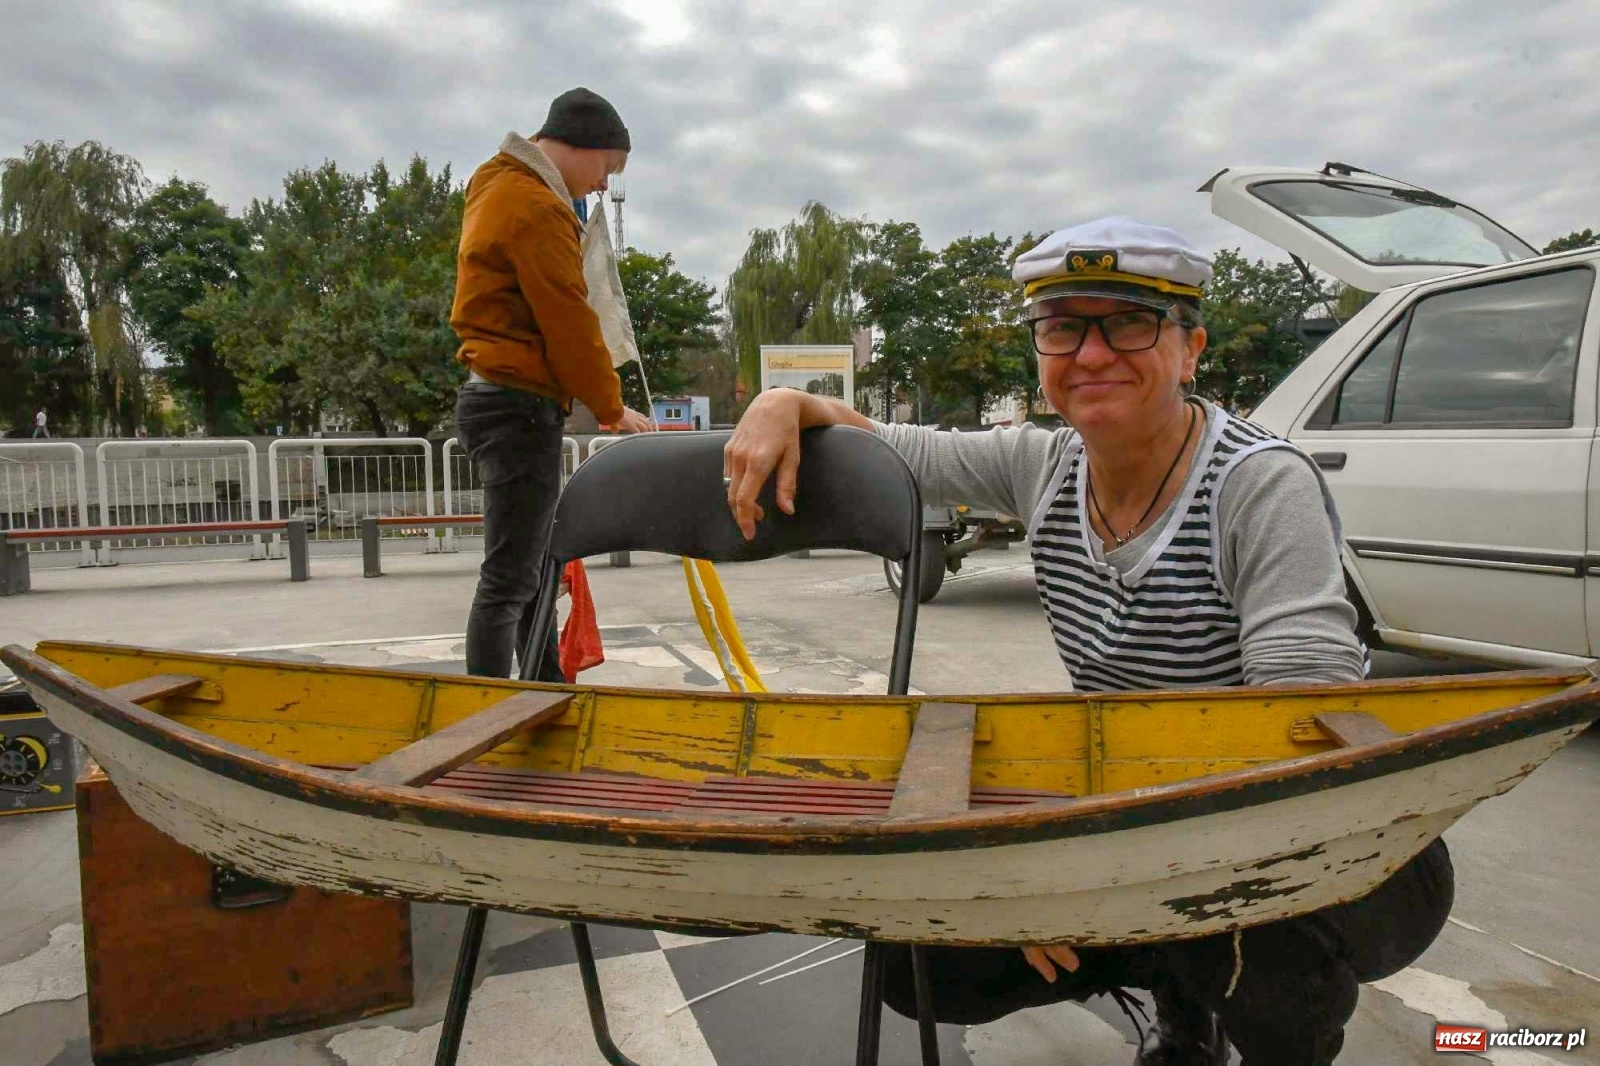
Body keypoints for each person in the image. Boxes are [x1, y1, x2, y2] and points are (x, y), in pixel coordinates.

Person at [722, 217, 1452, 1066]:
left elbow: (1299, 731)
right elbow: (888, 449)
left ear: (1190, 349)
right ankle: (1169, 972)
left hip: (1337, 842)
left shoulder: (1259, 484)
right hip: (1140, 810)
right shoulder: (1042, 466)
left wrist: (1078, 882)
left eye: (1130, 323)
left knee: (1255, 959)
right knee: (919, 965)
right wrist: (783, 402)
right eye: (1063, 328)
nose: (1092, 354)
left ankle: (1223, 1008)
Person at [451, 87, 654, 681]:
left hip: (496, 396)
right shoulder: (536, 206)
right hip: (517, 406)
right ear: (580, 146)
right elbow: (567, 315)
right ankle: (484, 709)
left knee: (534, 570)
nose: (601, 187)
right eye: (606, 170)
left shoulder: (495, 182)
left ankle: (545, 687)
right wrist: (610, 406)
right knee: (509, 579)